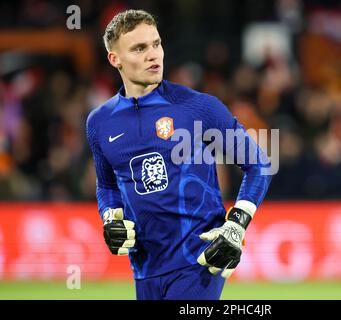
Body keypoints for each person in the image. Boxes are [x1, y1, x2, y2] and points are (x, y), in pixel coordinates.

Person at [85, 9, 272, 300]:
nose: (153, 54)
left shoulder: (198, 108)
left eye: (156, 44)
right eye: (139, 48)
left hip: (197, 263)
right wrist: (110, 219)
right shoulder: (99, 123)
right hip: (145, 267)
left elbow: (258, 163)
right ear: (115, 59)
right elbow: (107, 185)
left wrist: (236, 224)